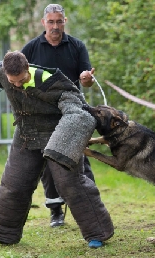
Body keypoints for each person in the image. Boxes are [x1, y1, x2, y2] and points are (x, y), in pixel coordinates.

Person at [0, 50, 114, 248]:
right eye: (13, 82)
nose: (17, 85)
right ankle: (0, 232)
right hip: (26, 135)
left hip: (59, 134)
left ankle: (98, 232)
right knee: (14, 184)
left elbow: (77, 109)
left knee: (70, 185)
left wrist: (65, 142)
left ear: (27, 68)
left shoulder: (52, 81)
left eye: (21, 80)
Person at [21, 3, 96, 227]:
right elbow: (17, 77)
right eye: (51, 22)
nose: (55, 26)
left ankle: (89, 208)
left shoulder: (77, 46)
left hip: (71, 112)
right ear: (43, 23)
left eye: (59, 21)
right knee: (49, 160)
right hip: (42, 113)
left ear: (65, 21)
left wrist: (86, 80)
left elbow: (88, 80)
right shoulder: (31, 48)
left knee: (80, 159)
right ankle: (56, 211)